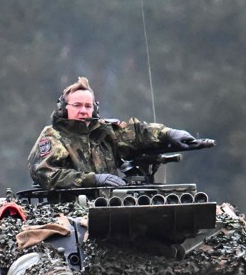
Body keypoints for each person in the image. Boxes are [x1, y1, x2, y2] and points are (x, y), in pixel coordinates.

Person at [27, 76, 202, 190]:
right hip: (70, 210)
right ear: (63, 108)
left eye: (88, 106)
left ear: (94, 109)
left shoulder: (104, 132)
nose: (83, 111)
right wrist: (93, 180)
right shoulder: (53, 136)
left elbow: (137, 134)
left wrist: (169, 134)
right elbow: (45, 174)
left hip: (111, 207)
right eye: (77, 105)